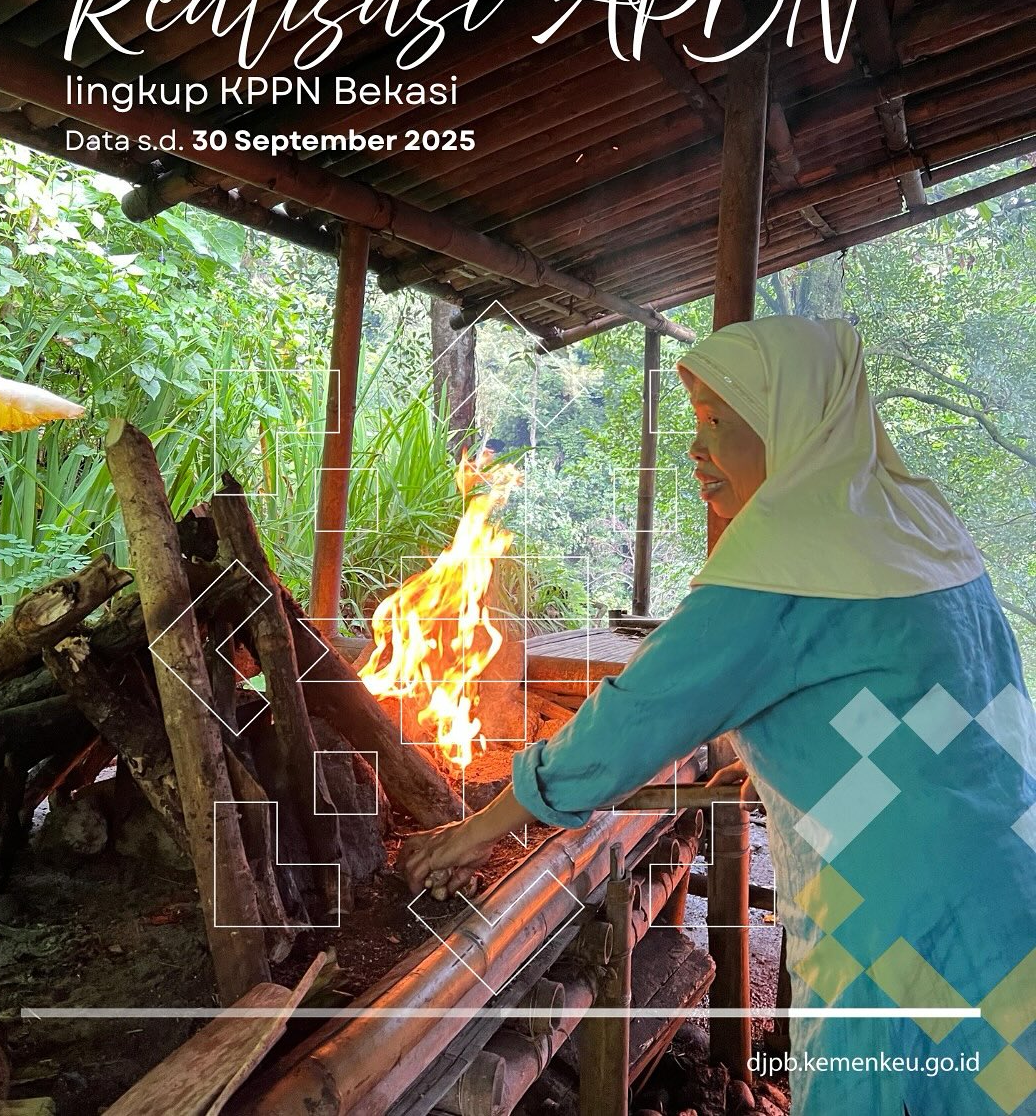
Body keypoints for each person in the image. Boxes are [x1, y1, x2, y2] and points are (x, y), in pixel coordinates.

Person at [398, 316, 1036, 1116]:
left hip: (897, 914)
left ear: (787, 422)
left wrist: (479, 829)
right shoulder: (914, 519)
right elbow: (912, 692)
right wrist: (773, 761)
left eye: (717, 421)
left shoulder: (788, 551)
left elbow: (633, 719)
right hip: (1006, 873)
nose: (696, 448)